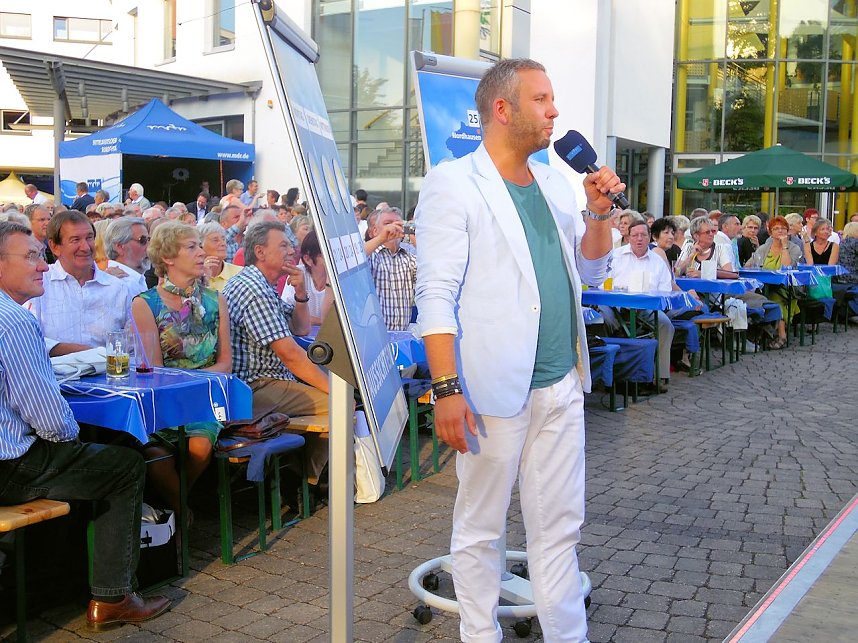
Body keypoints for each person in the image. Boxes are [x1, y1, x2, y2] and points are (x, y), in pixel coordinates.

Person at [415, 58, 623, 642]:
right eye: (542, 99)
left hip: (560, 383)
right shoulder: (454, 183)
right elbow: (435, 296)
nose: (555, 110)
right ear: (501, 109)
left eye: (553, 98)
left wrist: (599, 213)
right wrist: (447, 388)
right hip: (488, 391)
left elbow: (589, 265)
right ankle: (480, 636)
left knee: (559, 530)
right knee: (481, 530)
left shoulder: (557, 181)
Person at [0, 221, 170, 629]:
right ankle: (113, 598)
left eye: (41, 256)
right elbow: (49, 419)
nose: (42, 266)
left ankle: (51, 581)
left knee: (92, 459)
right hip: (9, 468)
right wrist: (73, 437)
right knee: (125, 465)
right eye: (30, 257)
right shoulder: (15, 321)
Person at [132, 222, 232, 517]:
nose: (202, 252)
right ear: (168, 258)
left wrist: (195, 383)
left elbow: (226, 363)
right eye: (192, 247)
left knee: (199, 447)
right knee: (155, 457)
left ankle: (174, 509)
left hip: (206, 397)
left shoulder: (215, 300)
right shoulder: (145, 304)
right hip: (164, 399)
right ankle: (182, 511)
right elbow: (156, 371)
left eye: (200, 245)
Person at [222, 221, 330, 487]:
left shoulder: (261, 284)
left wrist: (302, 294)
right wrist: (334, 391)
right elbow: (290, 354)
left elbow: (301, 327)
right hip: (255, 387)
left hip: (267, 381)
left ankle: (303, 473)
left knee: (336, 389)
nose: (291, 250)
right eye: (282, 245)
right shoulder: (254, 290)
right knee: (341, 404)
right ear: (260, 252)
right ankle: (307, 480)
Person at [25, 210, 130, 357]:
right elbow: (27, 340)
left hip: (108, 377)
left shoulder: (118, 289)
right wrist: (81, 352)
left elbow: (132, 346)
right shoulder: (39, 286)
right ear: (55, 247)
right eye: (75, 240)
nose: (85, 247)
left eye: (89, 238)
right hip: (55, 378)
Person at [603, 221, 675, 392]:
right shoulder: (615, 255)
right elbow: (602, 284)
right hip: (614, 305)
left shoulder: (657, 261)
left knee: (666, 326)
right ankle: (606, 377)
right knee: (601, 320)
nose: (639, 239)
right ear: (628, 238)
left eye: (643, 235)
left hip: (646, 308)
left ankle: (659, 376)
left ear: (650, 237)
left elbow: (665, 290)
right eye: (635, 235)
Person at [747, 215, 802, 349]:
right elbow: (751, 264)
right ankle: (763, 330)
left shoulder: (794, 248)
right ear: (770, 232)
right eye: (776, 229)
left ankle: (781, 334)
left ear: (788, 231)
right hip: (763, 285)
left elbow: (786, 268)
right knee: (759, 295)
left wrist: (784, 247)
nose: (780, 231)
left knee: (774, 296)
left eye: (783, 228)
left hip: (786, 287)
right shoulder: (764, 248)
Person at [365, 207, 417, 331]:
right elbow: (352, 260)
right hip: (372, 336)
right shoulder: (371, 256)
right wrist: (381, 238)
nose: (393, 228)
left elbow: (431, 273)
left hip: (400, 337)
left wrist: (418, 239)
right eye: (387, 224)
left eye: (398, 224)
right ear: (374, 231)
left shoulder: (409, 258)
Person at [281, 229, 332, 326]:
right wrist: (321, 321)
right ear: (308, 259)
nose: (331, 260)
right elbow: (287, 314)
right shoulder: (298, 275)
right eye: (325, 256)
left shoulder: (340, 279)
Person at [102, 216, 150, 297]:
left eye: (149, 239)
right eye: (142, 240)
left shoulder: (136, 279)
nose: (148, 246)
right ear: (119, 247)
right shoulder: (119, 285)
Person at [198, 222, 243, 291]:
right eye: (215, 240)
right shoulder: (193, 276)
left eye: (223, 239)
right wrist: (202, 278)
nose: (223, 244)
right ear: (201, 246)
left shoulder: (239, 273)